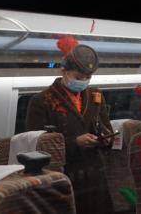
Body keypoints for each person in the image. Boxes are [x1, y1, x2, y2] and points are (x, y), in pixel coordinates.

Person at [26, 44, 113, 214]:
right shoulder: (42, 100)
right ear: (64, 71)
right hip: (63, 175)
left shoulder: (96, 96)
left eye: (88, 77)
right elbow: (36, 145)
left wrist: (106, 139)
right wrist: (74, 142)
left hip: (95, 176)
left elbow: (106, 128)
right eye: (78, 77)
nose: (83, 81)